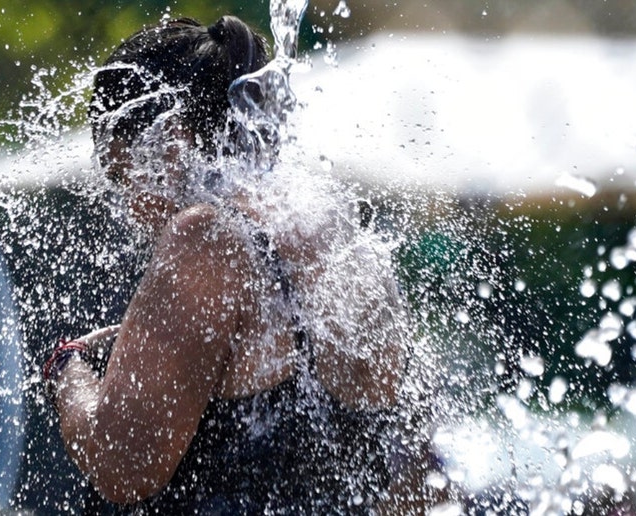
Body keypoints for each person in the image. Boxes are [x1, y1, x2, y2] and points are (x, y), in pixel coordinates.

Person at [43, 15, 413, 513]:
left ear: (169, 142)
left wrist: (68, 370)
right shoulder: (329, 224)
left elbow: (125, 465)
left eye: (119, 174)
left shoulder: (204, 239)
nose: (125, 205)